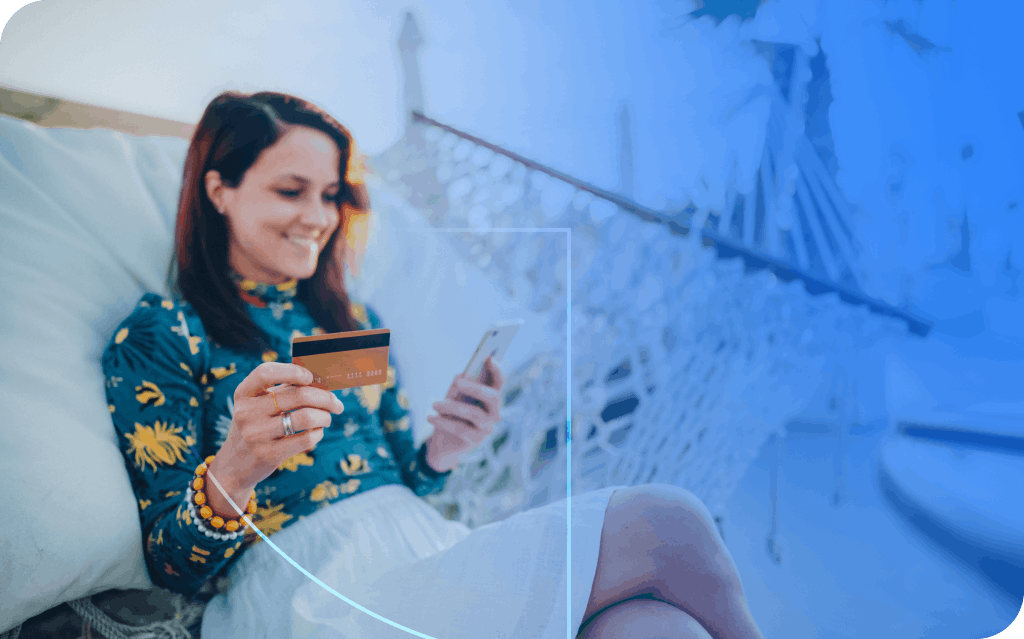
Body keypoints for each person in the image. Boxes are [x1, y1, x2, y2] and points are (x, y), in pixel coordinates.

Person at [101, 90, 765, 639]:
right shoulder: (163, 332)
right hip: (311, 591)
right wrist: (236, 470)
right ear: (219, 189)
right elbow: (171, 564)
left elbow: (403, 484)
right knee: (668, 520)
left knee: (653, 627)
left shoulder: (348, 318)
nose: (317, 216)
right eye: (290, 190)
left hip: (426, 549)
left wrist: (442, 451)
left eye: (330, 195)